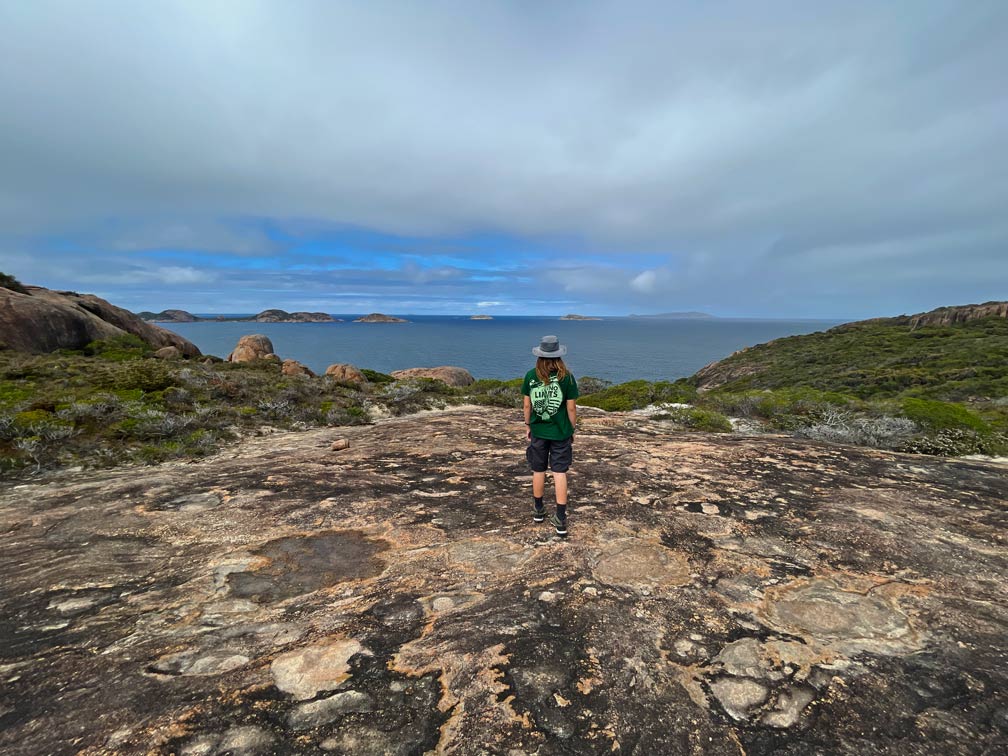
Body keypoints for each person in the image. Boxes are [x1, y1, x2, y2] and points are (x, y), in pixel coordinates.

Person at [522, 335, 579, 537]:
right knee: (559, 472)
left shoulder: (530, 376)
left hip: (538, 431)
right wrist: (571, 429)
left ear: (540, 355)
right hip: (560, 432)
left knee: (538, 470)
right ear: (559, 356)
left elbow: (527, 405)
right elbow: (571, 408)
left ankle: (538, 511)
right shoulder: (568, 377)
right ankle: (561, 519)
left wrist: (528, 425)